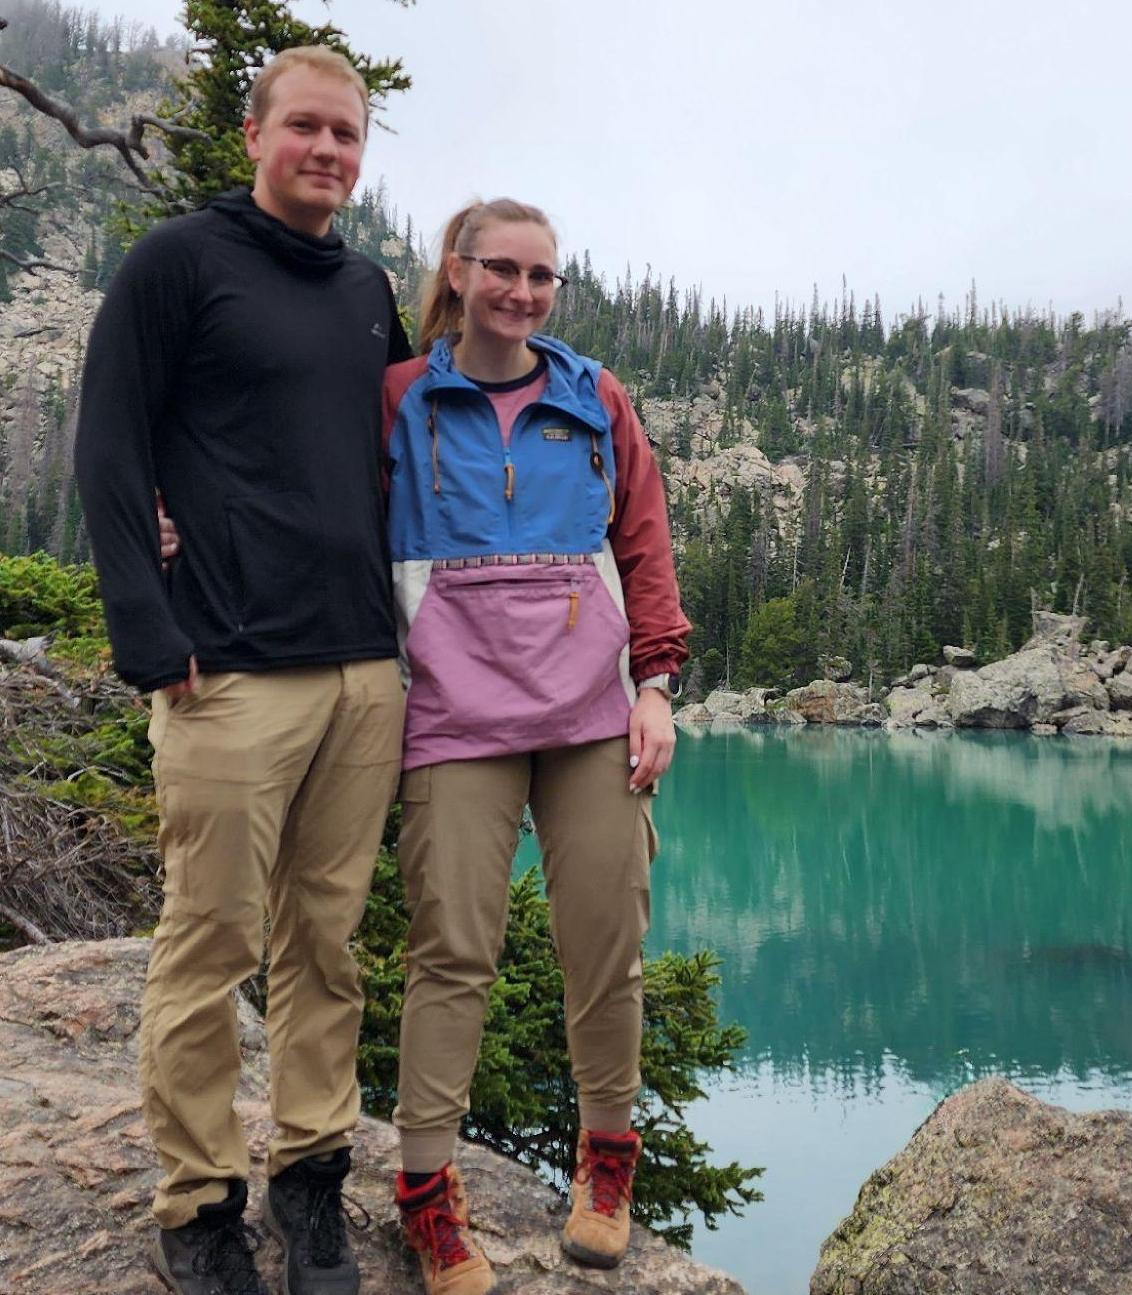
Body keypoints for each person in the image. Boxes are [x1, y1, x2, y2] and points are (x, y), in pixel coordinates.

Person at [74, 46, 411, 1295]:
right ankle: (198, 1200)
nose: (328, 151)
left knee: (325, 942)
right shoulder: (178, 263)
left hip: (359, 672)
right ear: (255, 134)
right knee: (207, 942)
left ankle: (311, 1179)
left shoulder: (366, 288)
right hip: (227, 671)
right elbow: (107, 448)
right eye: (306, 128)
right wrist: (147, 635)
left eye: (348, 134)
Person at [381, 198, 690, 1294]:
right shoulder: (401, 400)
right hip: (451, 716)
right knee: (450, 951)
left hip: (588, 716)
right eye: (500, 270)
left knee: (605, 946)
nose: (521, 291)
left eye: (541, 275)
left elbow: (643, 547)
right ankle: (426, 1195)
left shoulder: (593, 397)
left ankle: (606, 1169)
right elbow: (311, 505)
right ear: (456, 274)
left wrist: (654, 687)